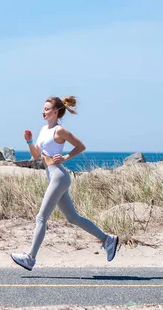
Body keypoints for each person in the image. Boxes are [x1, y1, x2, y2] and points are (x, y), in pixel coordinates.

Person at [10, 96, 118, 271]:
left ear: (55, 111)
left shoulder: (60, 131)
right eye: (43, 109)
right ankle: (107, 240)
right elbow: (36, 155)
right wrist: (29, 141)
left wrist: (66, 157)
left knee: (41, 217)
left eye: (46, 109)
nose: (42, 111)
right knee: (72, 218)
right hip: (52, 176)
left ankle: (30, 258)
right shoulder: (44, 129)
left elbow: (81, 146)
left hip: (59, 176)